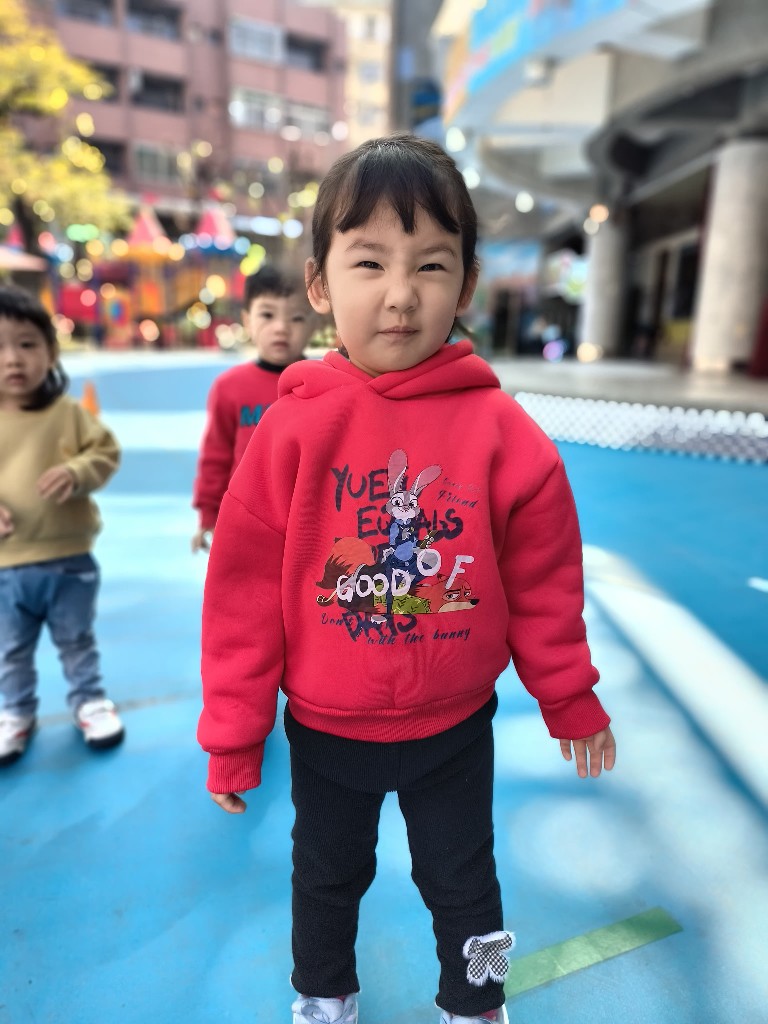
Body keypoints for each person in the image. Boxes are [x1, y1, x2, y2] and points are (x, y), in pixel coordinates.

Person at [197, 133, 616, 1024]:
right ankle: (323, 996)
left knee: (467, 882)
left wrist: (568, 693)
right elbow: (242, 599)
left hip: (455, 728)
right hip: (326, 730)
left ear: (465, 286)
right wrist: (234, 731)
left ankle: (479, 999)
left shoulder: (503, 432)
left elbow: (545, 580)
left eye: (430, 264)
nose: (400, 293)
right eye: (369, 262)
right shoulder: (288, 432)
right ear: (320, 285)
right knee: (325, 877)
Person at [0, 284, 124, 766]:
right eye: (0, 347)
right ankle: (15, 711)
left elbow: (105, 452)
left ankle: (89, 701)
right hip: (7, 565)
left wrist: (77, 472)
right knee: (10, 648)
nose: (13, 358)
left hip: (69, 561)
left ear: (51, 352)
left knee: (76, 639)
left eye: (26, 344)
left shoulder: (67, 414)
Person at [191, 265, 314, 552]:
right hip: (245, 520)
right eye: (267, 315)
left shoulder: (323, 384)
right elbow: (216, 456)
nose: (281, 327)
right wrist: (209, 516)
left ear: (313, 323)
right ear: (247, 319)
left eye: (296, 317)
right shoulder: (230, 388)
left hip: (306, 523)